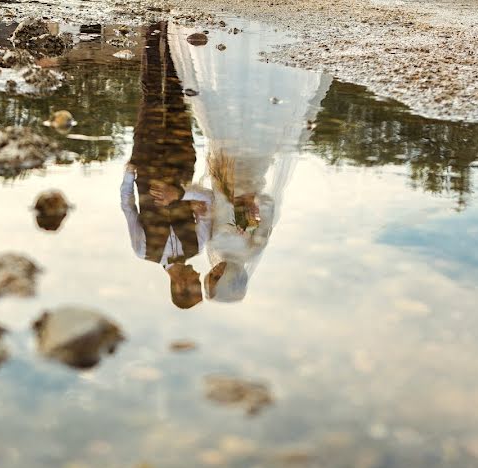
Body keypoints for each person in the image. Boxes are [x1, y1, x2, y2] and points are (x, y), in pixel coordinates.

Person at [166, 22, 333, 302]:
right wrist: (250, 202)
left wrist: (188, 197)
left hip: (226, 167)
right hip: (249, 171)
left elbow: (210, 201)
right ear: (232, 279)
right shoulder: (249, 248)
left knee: (225, 110)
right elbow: (268, 205)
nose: (214, 271)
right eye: (217, 278)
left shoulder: (215, 245)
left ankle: (237, 49)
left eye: (211, 276)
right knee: (253, 113)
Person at [120, 21, 212, 309]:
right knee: (174, 98)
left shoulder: (143, 250)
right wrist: (182, 196)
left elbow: (128, 207)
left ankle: (152, 30)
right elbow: (210, 200)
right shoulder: (198, 246)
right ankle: (171, 36)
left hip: (145, 166)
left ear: (180, 285)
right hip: (182, 162)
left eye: (194, 282)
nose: (198, 275)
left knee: (150, 98)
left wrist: (128, 174)